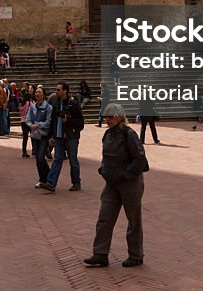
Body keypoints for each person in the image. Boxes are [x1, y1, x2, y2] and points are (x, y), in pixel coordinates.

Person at [84, 103, 148, 268]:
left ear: (120, 117)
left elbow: (140, 158)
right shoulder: (107, 134)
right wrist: (103, 170)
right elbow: (106, 156)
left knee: (133, 220)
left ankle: (136, 255)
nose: (107, 120)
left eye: (111, 117)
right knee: (104, 218)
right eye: (106, 117)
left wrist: (125, 175)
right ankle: (100, 253)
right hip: (112, 183)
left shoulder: (129, 134)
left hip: (129, 183)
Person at [45, 81, 84, 192]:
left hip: (71, 137)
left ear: (65, 91)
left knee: (73, 160)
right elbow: (53, 122)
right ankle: (51, 183)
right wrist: (51, 136)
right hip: (58, 137)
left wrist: (69, 121)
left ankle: (76, 183)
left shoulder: (73, 104)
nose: (56, 92)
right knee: (57, 159)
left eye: (58, 90)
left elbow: (81, 122)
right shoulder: (56, 105)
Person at [26, 86, 53, 187]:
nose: (37, 94)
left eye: (39, 92)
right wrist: (30, 125)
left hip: (43, 136)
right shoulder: (32, 107)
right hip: (34, 136)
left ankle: (49, 176)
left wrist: (38, 125)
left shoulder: (48, 108)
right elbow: (28, 119)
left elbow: (48, 122)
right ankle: (43, 179)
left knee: (41, 157)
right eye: (36, 92)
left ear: (44, 95)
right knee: (38, 158)